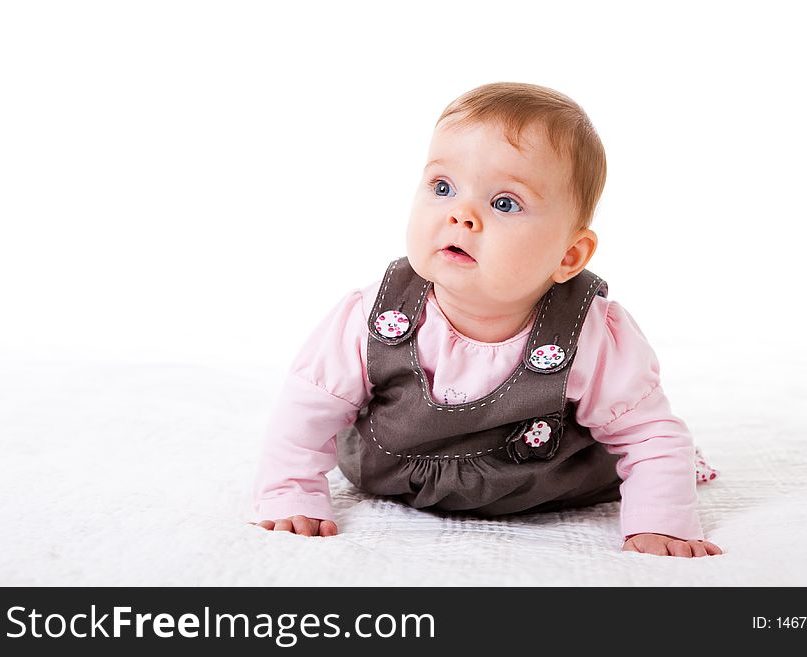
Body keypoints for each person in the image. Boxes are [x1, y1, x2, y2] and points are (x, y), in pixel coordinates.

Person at [251, 82, 722, 558]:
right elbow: (308, 407)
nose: (462, 215)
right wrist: (291, 492)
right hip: (392, 469)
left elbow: (648, 434)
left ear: (569, 254)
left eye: (504, 203)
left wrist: (662, 522)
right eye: (443, 187)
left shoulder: (590, 333)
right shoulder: (373, 316)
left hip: (545, 484)